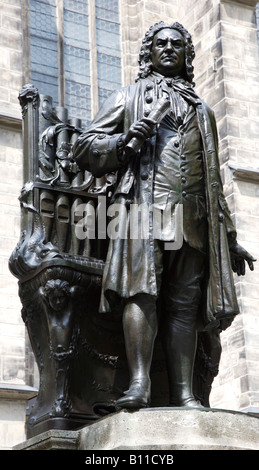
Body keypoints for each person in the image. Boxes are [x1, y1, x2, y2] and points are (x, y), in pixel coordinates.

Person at [73, 21, 256, 410]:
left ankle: (185, 393)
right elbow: (85, 147)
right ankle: (139, 385)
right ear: (149, 53)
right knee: (142, 291)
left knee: (185, 304)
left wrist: (228, 236)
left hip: (193, 217)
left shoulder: (203, 111)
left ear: (187, 54)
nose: (169, 48)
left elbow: (213, 181)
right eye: (161, 43)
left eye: (177, 44)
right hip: (143, 209)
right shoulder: (129, 96)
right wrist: (125, 139)